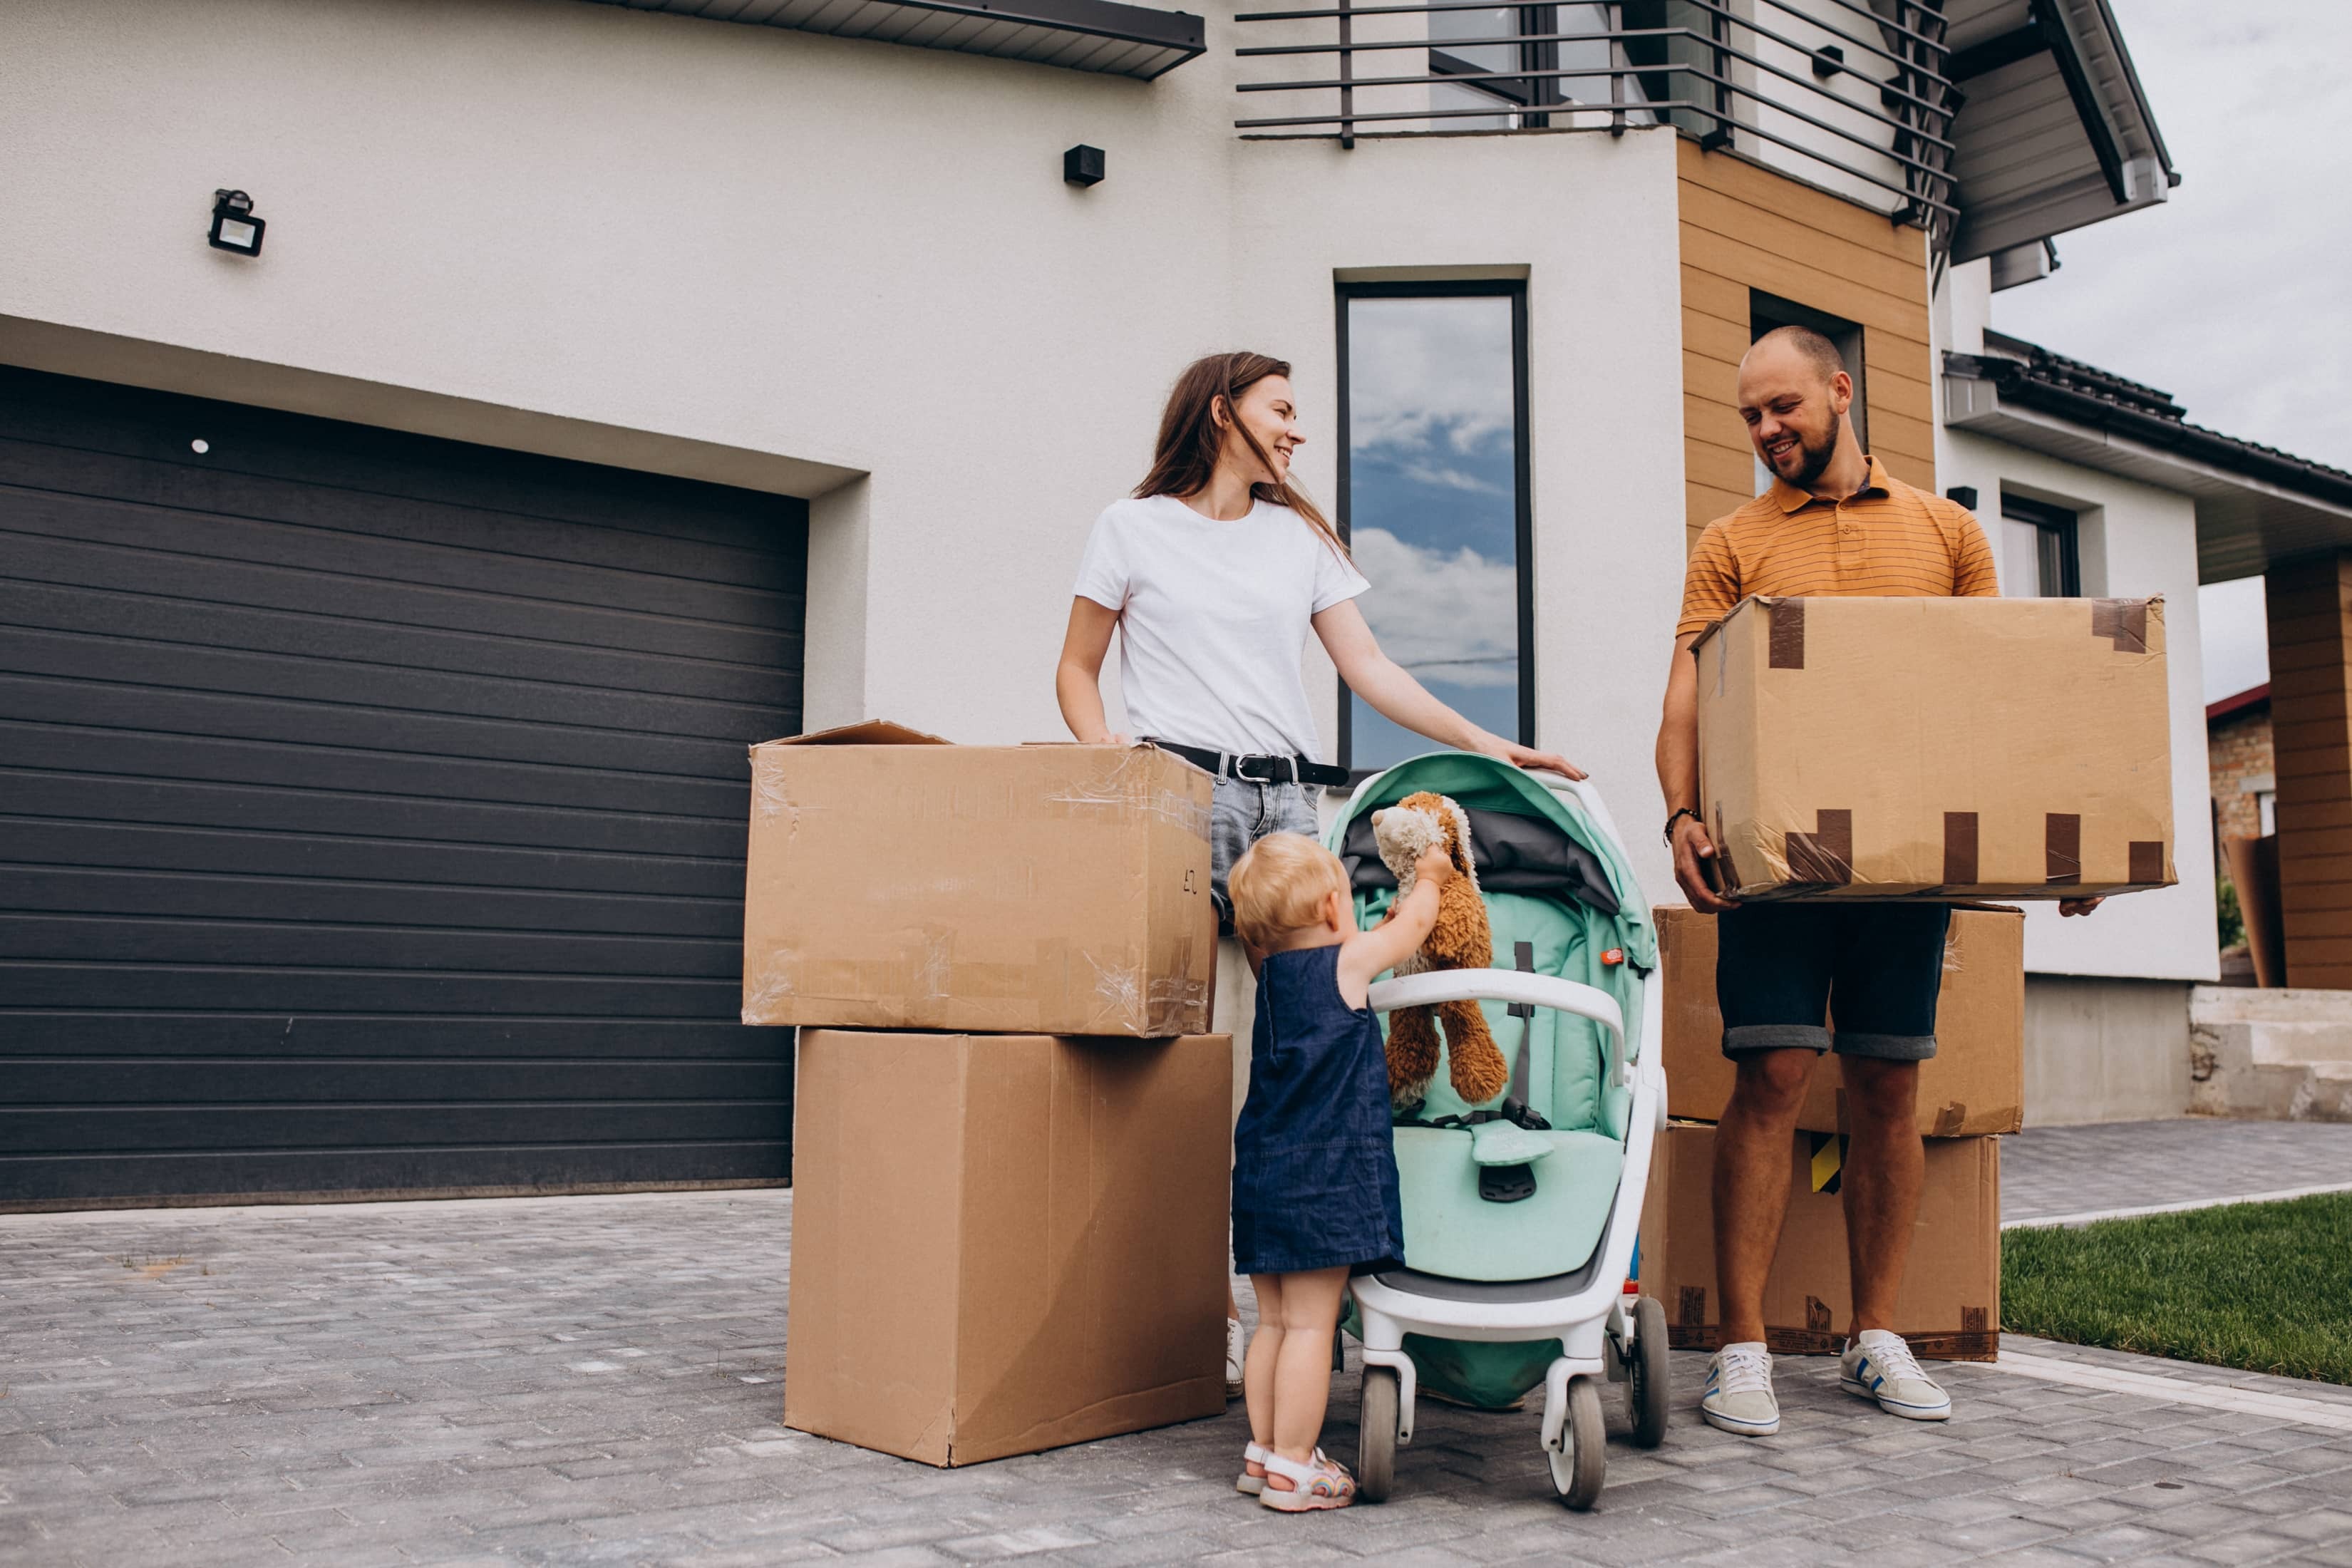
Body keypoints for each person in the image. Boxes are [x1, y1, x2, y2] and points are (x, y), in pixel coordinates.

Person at [1056, 350, 1579, 1396]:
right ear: (1222, 414)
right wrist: (1108, 760)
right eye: (1282, 411)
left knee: (1293, 1061)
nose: (1299, 432)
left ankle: (1284, 1323)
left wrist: (1493, 746)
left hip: (1287, 810)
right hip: (1176, 796)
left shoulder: (1297, 539)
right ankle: (1184, 1311)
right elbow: (1076, 669)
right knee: (1184, 1063)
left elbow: (1370, 671)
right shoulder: (1131, 528)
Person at [1654, 324, 2100, 1439]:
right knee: (1772, 1077)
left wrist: (2063, 850)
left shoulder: (1948, 535)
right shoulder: (1732, 540)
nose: (1765, 432)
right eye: (1750, 416)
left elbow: (1994, 700)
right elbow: (1688, 696)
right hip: (1778, 870)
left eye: (1783, 409)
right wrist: (1679, 814)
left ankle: (1877, 1336)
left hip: (1904, 873)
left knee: (1888, 1087)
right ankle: (1744, 1348)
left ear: (1840, 393)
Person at [1222, 831, 1449, 1511]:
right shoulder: (1347, 964)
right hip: (1323, 1179)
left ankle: (1263, 1455)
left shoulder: (1276, 983)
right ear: (1330, 905)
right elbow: (1413, 928)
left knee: (1274, 1324)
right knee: (1314, 1328)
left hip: (1264, 1173)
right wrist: (1432, 876)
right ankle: (1297, 1466)